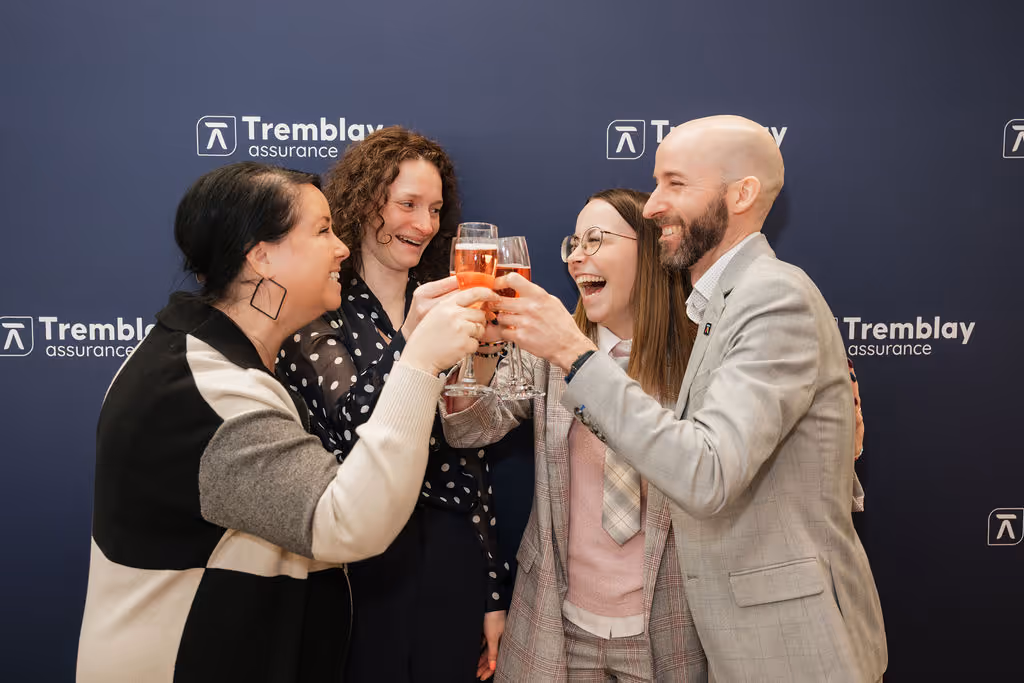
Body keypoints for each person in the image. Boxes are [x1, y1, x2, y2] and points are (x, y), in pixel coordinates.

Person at [492, 116, 887, 682]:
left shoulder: (772, 297)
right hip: (735, 642)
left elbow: (707, 473)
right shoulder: (717, 307)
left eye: (674, 184)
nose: (653, 206)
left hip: (790, 648)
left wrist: (573, 355)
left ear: (741, 194)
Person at [77, 162, 493, 683]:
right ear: (261, 256)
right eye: (322, 231)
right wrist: (419, 364)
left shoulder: (210, 358)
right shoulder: (202, 389)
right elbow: (348, 522)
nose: (342, 249)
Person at [444, 188, 708, 682]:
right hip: (556, 626)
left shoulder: (704, 358)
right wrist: (481, 351)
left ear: (652, 249)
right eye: (574, 243)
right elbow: (467, 430)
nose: (576, 257)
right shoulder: (548, 346)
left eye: (595, 240)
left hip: (670, 629)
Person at [278, 127, 508, 682]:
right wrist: (413, 341)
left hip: (450, 550)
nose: (424, 225)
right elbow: (353, 425)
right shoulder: (318, 303)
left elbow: (467, 455)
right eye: (408, 204)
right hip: (355, 556)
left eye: (435, 209)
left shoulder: (449, 301)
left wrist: (493, 589)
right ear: (364, 203)